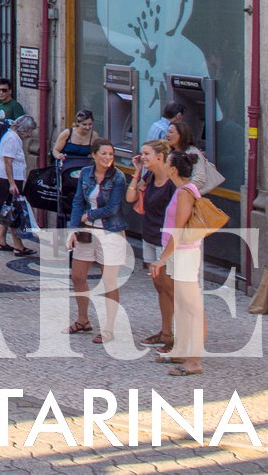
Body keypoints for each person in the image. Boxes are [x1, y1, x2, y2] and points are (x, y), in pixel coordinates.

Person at [65, 138, 127, 344]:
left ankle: (109, 327)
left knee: (108, 281)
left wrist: (88, 216)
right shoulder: (85, 173)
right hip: (87, 233)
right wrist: (73, 228)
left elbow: (113, 208)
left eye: (111, 154)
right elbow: (77, 201)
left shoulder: (118, 177)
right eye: (104, 154)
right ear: (94, 155)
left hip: (110, 232)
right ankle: (83, 319)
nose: (108, 158)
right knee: (78, 276)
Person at [150, 150, 206, 376]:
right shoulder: (183, 190)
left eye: (167, 163)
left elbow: (179, 230)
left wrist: (162, 259)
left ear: (173, 169)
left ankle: (194, 361)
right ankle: (182, 350)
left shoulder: (184, 192)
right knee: (183, 305)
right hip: (179, 254)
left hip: (184, 254)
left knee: (192, 307)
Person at [127, 139, 177, 352]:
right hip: (149, 236)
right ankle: (165, 332)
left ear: (160, 156)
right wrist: (137, 172)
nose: (143, 157)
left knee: (170, 288)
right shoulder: (147, 176)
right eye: (142, 153)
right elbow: (130, 198)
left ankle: (180, 337)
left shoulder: (173, 182)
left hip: (165, 242)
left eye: (146, 154)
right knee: (159, 288)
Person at [0, 115, 37, 257]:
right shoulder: (12, 139)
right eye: (29, 131)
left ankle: (0, 240)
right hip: (9, 179)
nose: (29, 135)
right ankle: (18, 246)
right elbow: (8, 162)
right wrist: (12, 183)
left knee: (7, 210)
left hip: (7, 178)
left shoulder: (12, 136)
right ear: (23, 130)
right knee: (14, 212)